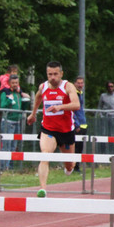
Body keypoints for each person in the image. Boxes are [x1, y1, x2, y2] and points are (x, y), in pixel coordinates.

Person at [27, 61, 80, 198]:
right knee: (45, 155)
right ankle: (43, 189)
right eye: (50, 74)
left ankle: (69, 167)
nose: (53, 77)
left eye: (56, 74)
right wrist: (33, 114)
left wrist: (60, 107)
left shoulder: (68, 86)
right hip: (48, 129)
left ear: (61, 74)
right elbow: (38, 97)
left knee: (69, 165)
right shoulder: (43, 87)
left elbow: (76, 104)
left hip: (66, 131)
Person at [0, 74, 26, 170]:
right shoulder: (5, 93)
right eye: (13, 83)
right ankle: (3, 167)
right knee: (6, 145)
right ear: (9, 83)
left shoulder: (18, 93)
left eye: (16, 83)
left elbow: (21, 106)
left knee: (14, 146)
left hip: (17, 121)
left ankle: (10, 167)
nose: (15, 84)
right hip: (8, 122)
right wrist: (9, 100)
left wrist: (25, 102)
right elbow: (2, 106)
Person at [98, 80, 114, 146]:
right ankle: (103, 149)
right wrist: (101, 115)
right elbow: (99, 107)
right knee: (103, 133)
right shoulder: (103, 96)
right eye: (109, 86)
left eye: (111, 86)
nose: (110, 88)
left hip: (113, 117)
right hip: (104, 117)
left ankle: (112, 148)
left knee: (112, 134)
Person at [73, 76, 87, 172]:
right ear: (74, 84)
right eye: (78, 83)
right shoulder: (74, 94)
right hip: (77, 125)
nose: (80, 85)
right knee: (75, 147)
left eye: (82, 83)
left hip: (83, 124)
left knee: (80, 147)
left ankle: (77, 166)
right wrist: (77, 124)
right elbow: (72, 111)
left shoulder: (80, 93)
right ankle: (74, 166)